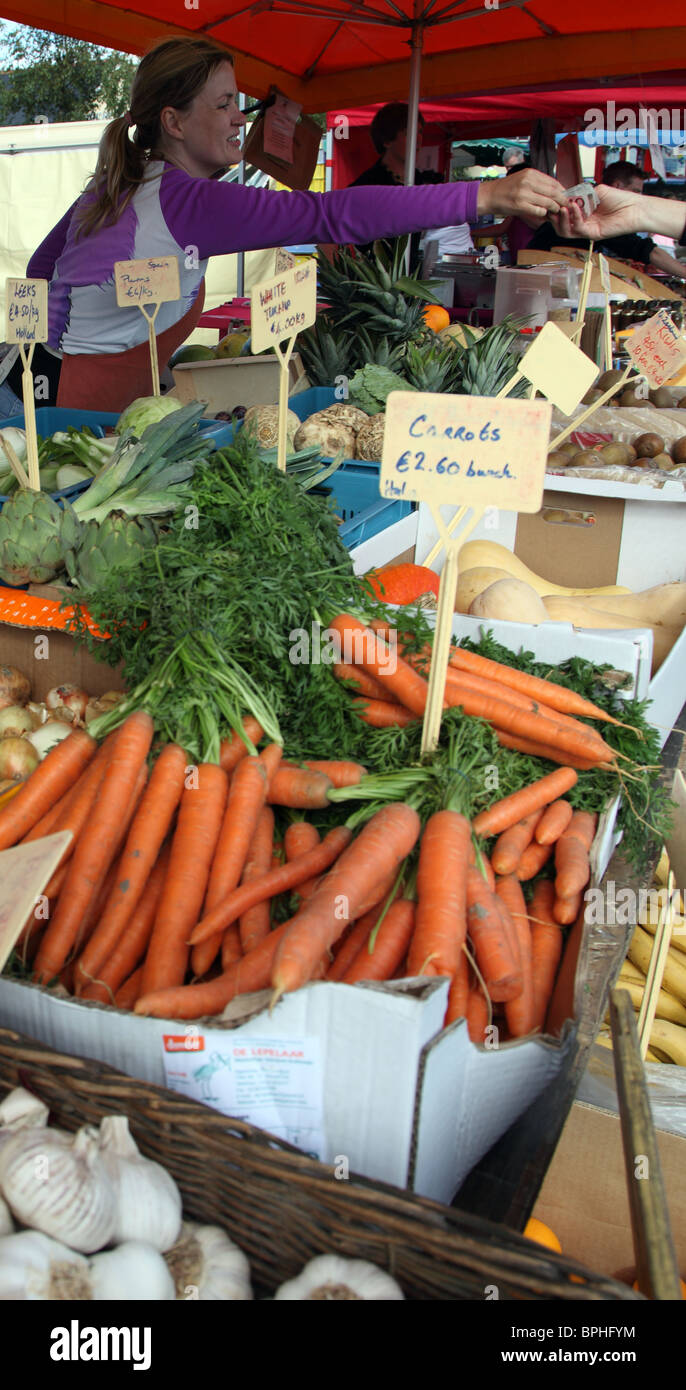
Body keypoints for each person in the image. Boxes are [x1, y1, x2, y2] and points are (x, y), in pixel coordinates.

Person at [21, 35, 569, 412]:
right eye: (223, 105)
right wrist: (485, 194)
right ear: (174, 122)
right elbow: (331, 214)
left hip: (34, 388)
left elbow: (41, 268)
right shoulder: (190, 202)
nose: (240, 117)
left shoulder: (122, 180)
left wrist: (74, 345)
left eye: (239, 103)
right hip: (62, 413)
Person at [527, 158, 686, 280]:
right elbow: (650, 252)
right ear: (617, 186)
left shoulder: (596, 206)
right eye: (636, 191)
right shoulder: (595, 209)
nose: (639, 197)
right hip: (538, 273)